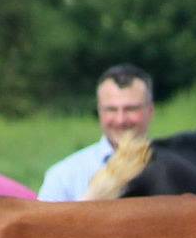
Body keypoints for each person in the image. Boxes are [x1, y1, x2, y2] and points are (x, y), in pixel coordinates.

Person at [38, 64, 155, 202]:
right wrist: (90, 201)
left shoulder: (173, 168)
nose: (121, 120)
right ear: (99, 111)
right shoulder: (63, 177)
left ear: (150, 111)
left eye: (131, 109)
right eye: (111, 109)